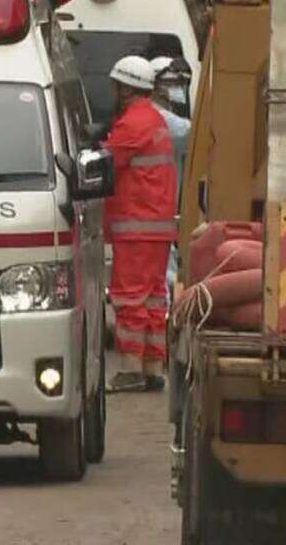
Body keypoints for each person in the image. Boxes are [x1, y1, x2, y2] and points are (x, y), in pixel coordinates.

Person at [102, 55, 178, 393]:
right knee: (153, 299)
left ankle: (130, 368)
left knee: (129, 298)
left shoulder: (132, 123)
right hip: (157, 227)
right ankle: (152, 367)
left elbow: (107, 165)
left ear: (125, 88)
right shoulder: (154, 120)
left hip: (136, 226)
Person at [149, 56, 192, 300]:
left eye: (182, 83)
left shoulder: (165, 116)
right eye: (172, 82)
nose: (178, 88)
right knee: (165, 273)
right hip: (155, 212)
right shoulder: (160, 118)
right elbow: (192, 132)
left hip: (164, 211)